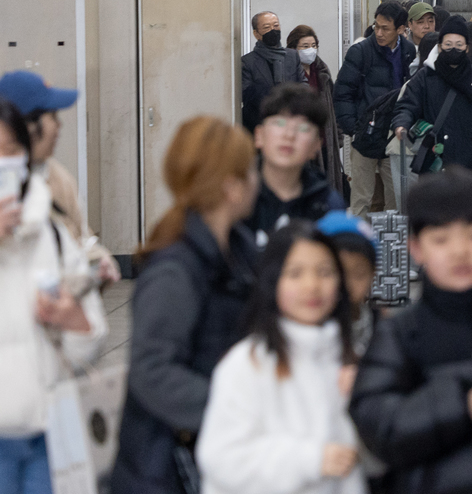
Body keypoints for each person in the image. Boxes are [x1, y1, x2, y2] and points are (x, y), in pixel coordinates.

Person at [111, 116, 260, 493]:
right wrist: (239, 409)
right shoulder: (175, 270)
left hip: (216, 452)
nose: (257, 180)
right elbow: (153, 372)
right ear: (232, 187)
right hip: (165, 468)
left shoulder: (239, 254)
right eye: (250, 171)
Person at [350, 168, 472, 494]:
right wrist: (464, 401)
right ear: (415, 248)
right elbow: (379, 425)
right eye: (441, 239)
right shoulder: (400, 333)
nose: (460, 251)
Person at [196, 222, 366, 494]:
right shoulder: (246, 364)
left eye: (325, 272)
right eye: (295, 273)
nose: (312, 285)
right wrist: (309, 460)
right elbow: (220, 457)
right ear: (272, 282)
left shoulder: (345, 360)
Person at [0, 98, 108, 494]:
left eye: (9, 151)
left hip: (49, 433)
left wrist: (75, 323)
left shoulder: (53, 236)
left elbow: (91, 338)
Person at [0, 71, 121, 283]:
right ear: (24, 125)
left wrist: (99, 263)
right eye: (52, 117)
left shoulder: (58, 178)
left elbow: (82, 238)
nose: (59, 126)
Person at [393, 16, 472, 177]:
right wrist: (402, 123)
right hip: (434, 162)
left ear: (467, 48)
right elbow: (408, 104)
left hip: (469, 166)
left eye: (459, 45)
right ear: (440, 47)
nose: (453, 50)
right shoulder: (426, 77)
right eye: (448, 45)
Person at [335, 1, 417, 218]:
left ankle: (393, 246)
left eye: (385, 28)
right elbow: (342, 92)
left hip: (394, 134)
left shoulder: (408, 51)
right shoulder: (360, 52)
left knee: (396, 196)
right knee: (362, 197)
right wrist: (353, 128)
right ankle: (358, 244)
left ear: (401, 29)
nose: (378, 32)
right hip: (365, 133)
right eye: (376, 26)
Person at [246, 84, 346, 244]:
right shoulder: (235, 195)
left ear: (316, 146)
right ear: (259, 135)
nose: (289, 135)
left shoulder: (327, 204)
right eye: (279, 123)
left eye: (303, 127)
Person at [287, 26, 345, 196]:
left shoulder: (322, 72)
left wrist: (338, 136)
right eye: (305, 46)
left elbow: (334, 106)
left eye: (313, 45)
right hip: (301, 142)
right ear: (293, 49)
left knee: (326, 188)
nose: (310, 50)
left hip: (325, 141)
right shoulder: (289, 74)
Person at [317, 211, 381, 357]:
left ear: (373, 274)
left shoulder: (380, 326)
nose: (347, 284)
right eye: (336, 272)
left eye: (359, 275)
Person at [241, 11, 305, 132]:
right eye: (266, 27)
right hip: (260, 125)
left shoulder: (292, 56)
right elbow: (247, 94)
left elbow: (302, 84)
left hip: (291, 123)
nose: (273, 30)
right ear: (256, 34)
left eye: (276, 26)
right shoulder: (247, 62)